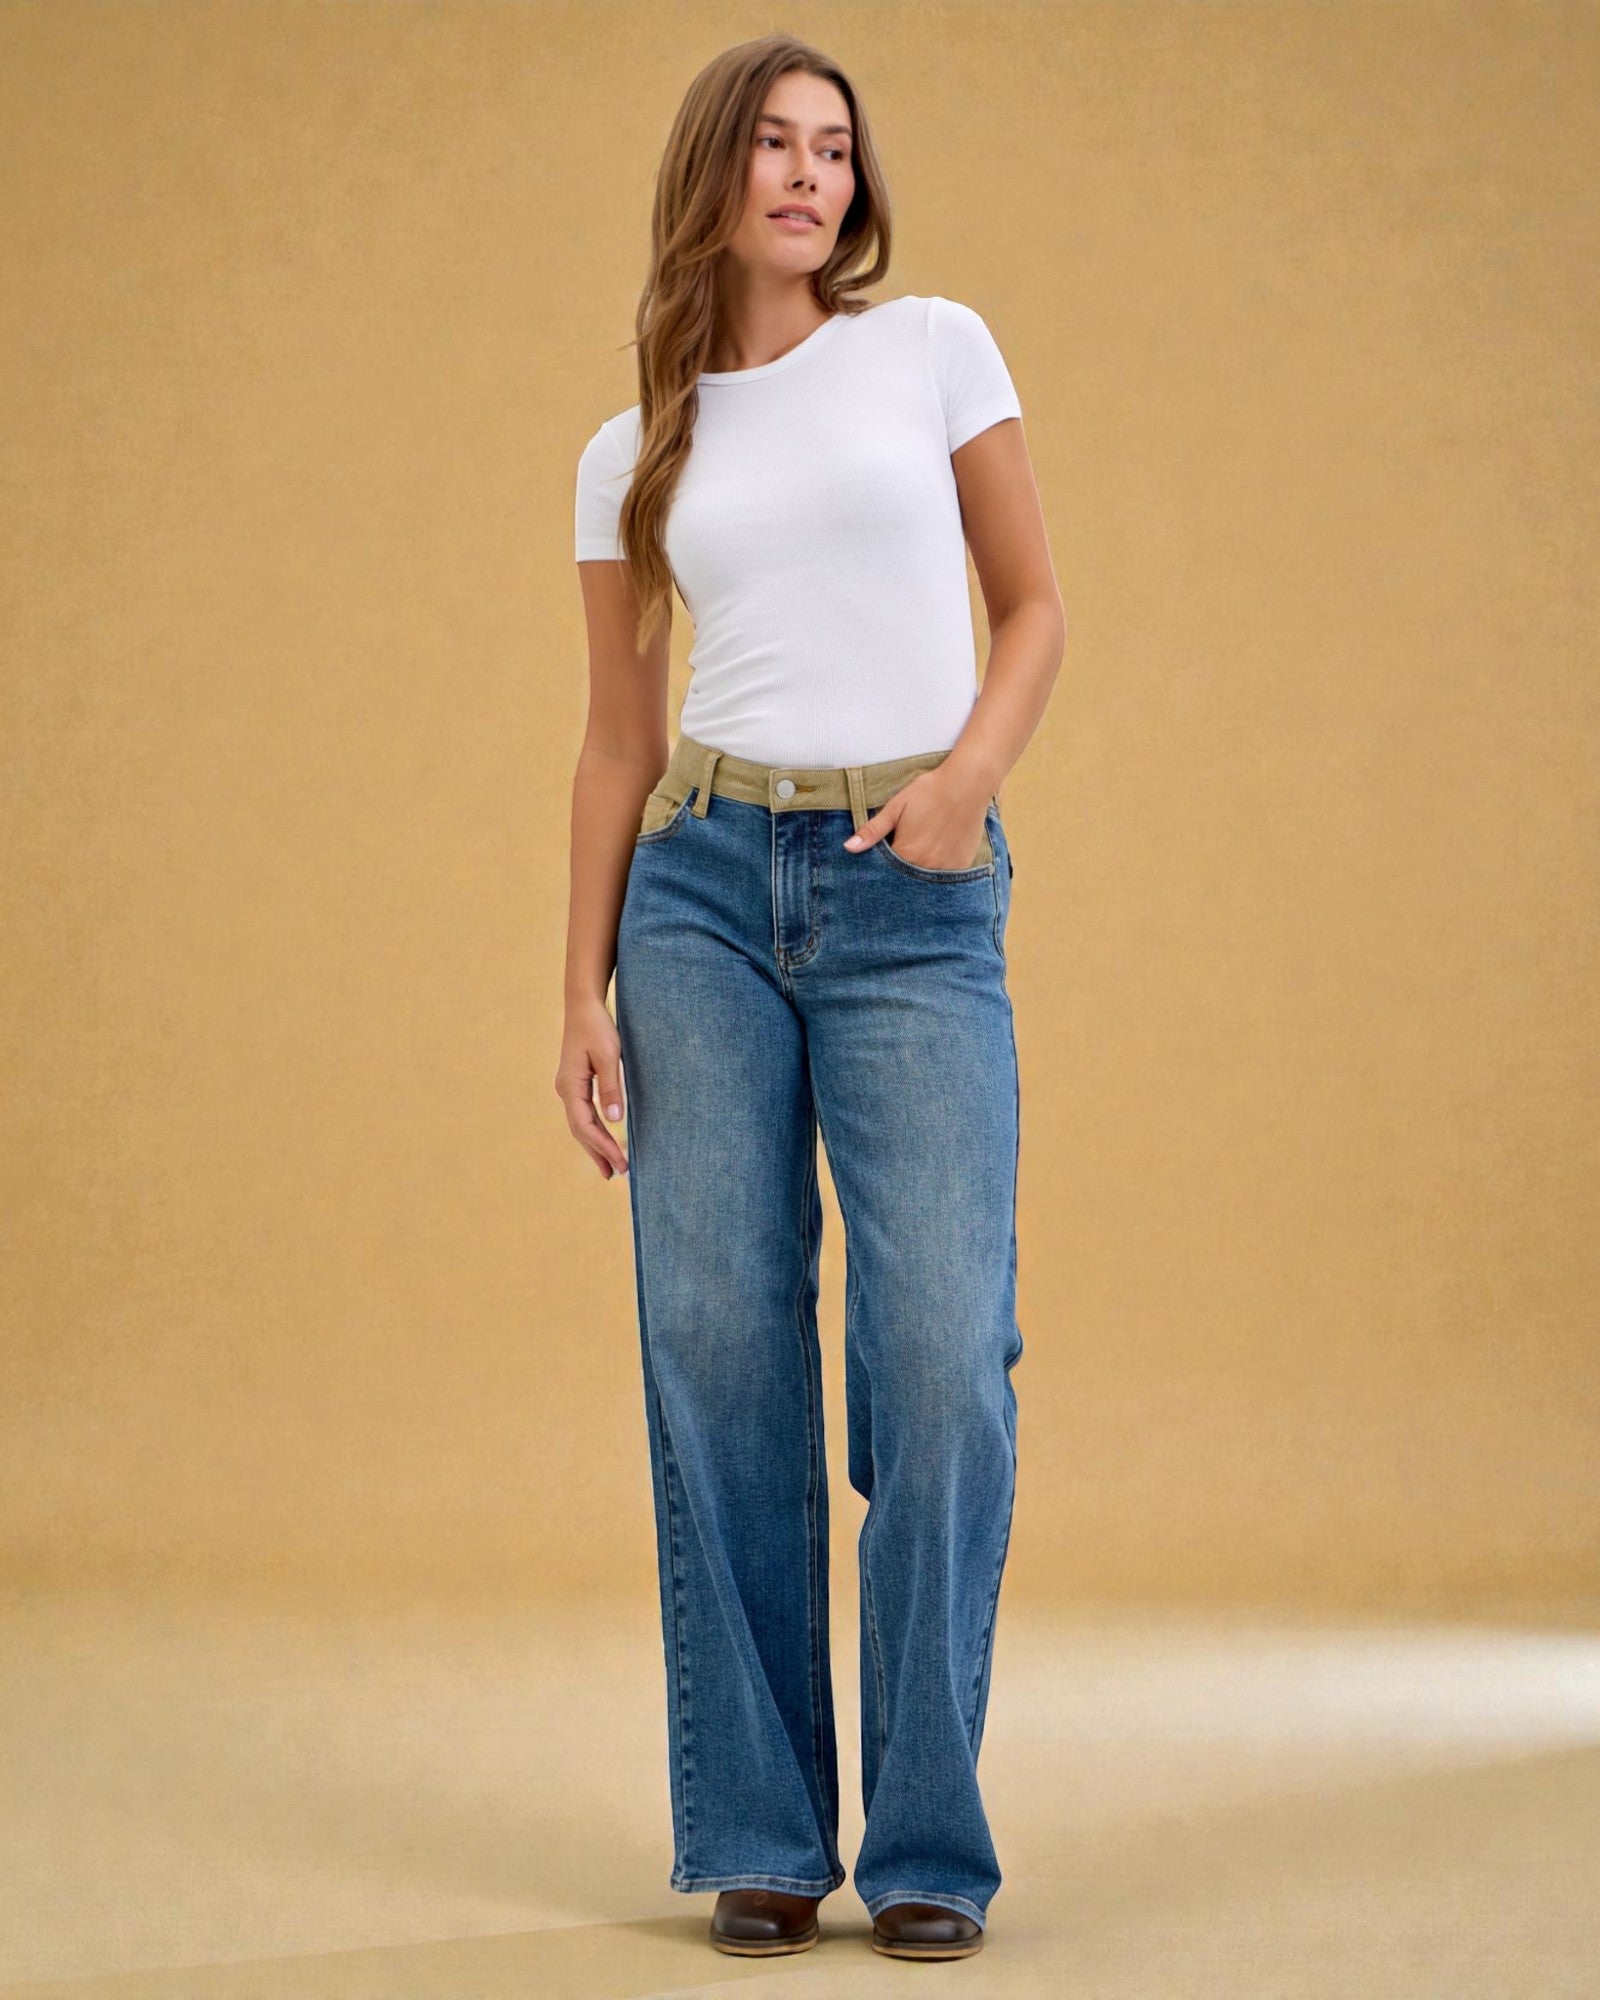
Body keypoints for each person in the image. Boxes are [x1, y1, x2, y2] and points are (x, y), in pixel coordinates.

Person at [559, 32, 1064, 1964]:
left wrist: (963, 788)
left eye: (834, 148)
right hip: (695, 895)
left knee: (942, 1366)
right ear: (716, 168)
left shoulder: (932, 345)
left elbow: (1034, 605)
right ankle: (764, 1829)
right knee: (718, 1357)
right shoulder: (634, 447)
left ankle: (931, 1836)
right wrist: (582, 986)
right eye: (774, 143)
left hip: (908, 895)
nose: (808, 174)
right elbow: (615, 742)